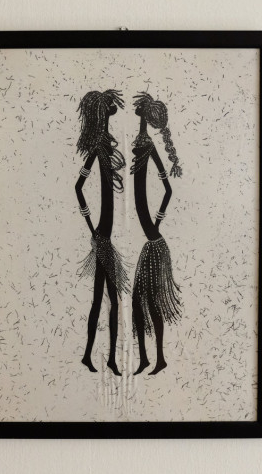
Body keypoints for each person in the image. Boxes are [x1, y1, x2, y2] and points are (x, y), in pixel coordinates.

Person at [75, 90, 128, 375]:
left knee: (101, 299)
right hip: (103, 238)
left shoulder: (104, 145)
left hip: (104, 237)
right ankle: (109, 360)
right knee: (111, 301)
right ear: (101, 111)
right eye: (108, 105)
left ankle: (93, 356)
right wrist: (91, 227)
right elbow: (78, 187)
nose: (112, 108)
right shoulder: (98, 147)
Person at [129, 92, 182, 375]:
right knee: (139, 303)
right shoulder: (142, 142)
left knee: (150, 302)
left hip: (154, 242)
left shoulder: (146, 145)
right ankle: (146, 359)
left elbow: (168, 190)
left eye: (140, 108)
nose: (136, 109)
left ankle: (158, 358)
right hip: (150, 242)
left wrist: (156, 224)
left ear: (145, 114)